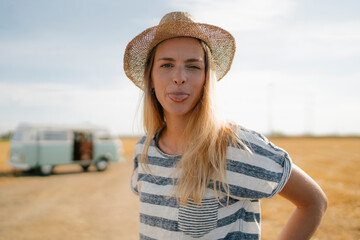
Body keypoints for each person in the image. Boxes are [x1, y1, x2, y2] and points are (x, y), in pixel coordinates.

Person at [124, 11, 327, 240]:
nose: (179, 77)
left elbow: (313, 202)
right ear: (150, 78)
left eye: (193, 66)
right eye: (166, 65)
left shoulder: (234, 147)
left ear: (206, 79)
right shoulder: (144, 149)